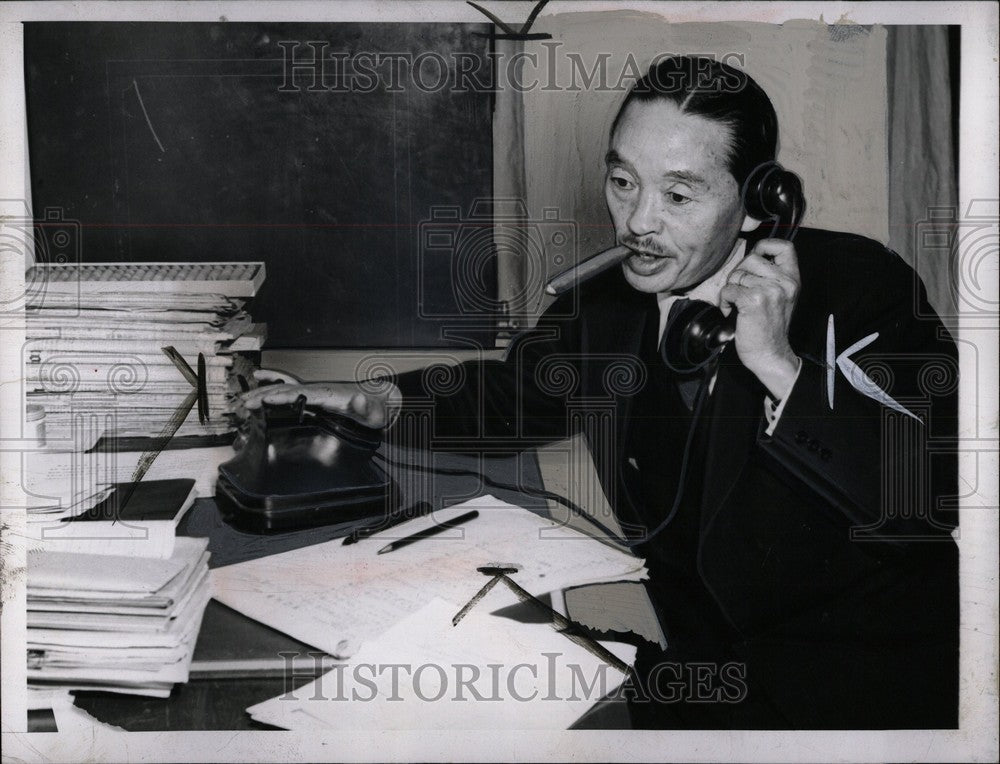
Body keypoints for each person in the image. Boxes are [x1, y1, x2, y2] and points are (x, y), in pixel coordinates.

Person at [240, 56, 959, 729]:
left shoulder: (862, 286)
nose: (639, 222)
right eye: (623, 182)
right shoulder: (607, 306)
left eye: (677, 194)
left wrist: (779, 366)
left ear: (757, 203)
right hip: (692, 673)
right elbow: (509, 393)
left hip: (861, 690)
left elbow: (935, 490)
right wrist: (381, 401)